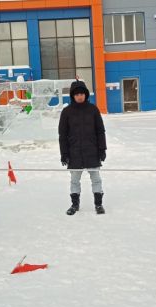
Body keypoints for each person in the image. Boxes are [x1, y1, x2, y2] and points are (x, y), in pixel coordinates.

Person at [58, 80, 107, 215]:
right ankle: (74, 205)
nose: (80, 96)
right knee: (74, 180)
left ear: (86, 94)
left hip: (92, 151)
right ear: (73, 96)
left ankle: (98, 204)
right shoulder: (67, 112)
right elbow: (62, 135)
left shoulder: (93, 110)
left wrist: (102, 149)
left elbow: (100, 131)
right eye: (77, 94)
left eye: (82, 93)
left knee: (96, 178)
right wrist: (64, 153)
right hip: (74, 153)